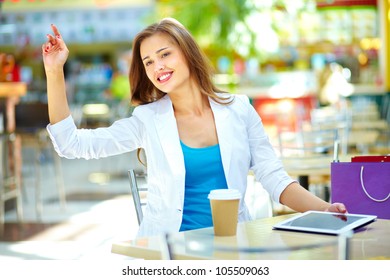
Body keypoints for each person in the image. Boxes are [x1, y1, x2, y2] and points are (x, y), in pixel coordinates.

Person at [42, 18, 347, 238]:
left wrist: (325, 209)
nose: (157, 66)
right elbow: (71, 144)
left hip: (234, 245)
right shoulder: (148, 120)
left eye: (165, 54)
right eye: (148, 62)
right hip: (170, 250)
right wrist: (55, 71)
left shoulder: (238, 109)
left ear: (187, 53)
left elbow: (275, 179)